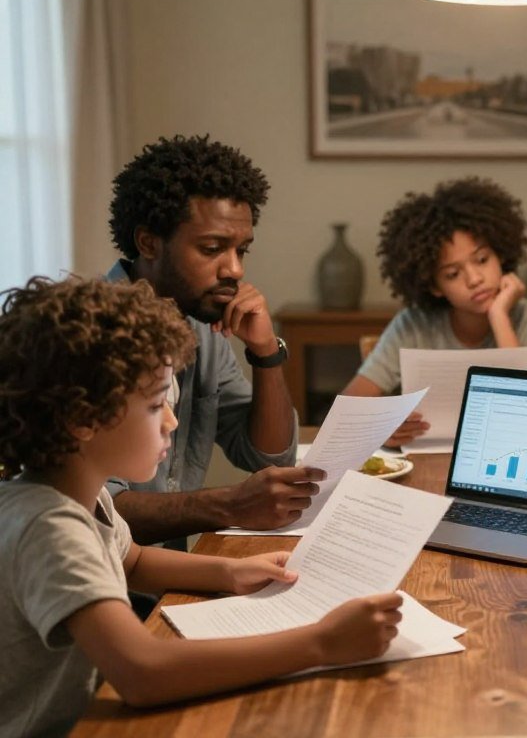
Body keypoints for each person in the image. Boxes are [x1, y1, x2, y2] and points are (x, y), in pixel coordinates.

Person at [0, 277, 403, 737]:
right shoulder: (50, 525)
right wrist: (322, 643)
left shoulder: (81, 494)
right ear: (81, 420)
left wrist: (227, 572)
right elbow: (143, 671)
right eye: (156, 406)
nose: (172, 420)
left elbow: (130, 561)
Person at [106, 135, 320, 545]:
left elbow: (267, 457)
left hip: (168, 575)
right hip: (108, 587)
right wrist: (230, 505)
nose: (235, 270)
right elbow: (99, 511)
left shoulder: (203, 326)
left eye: (242, 250)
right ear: (149, 242)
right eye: (212, 248)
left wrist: (265, 352)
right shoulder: (92, 337)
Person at [343, 176, 527, 447]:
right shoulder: (413, 324)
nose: (474, 279)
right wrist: (381, 427)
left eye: (482, 260)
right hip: (424, 461)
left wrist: (499, 316)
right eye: (452, 273)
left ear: (500, 254)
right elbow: (348, 409)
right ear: (434, 285)